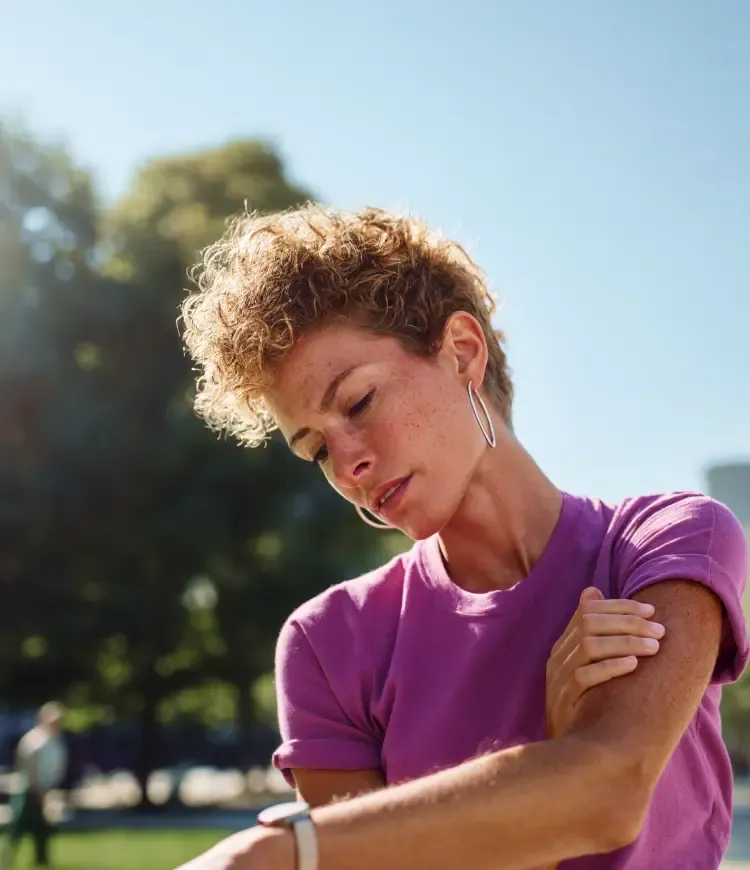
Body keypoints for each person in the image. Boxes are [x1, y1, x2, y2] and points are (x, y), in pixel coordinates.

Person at [176, 205, 748, 870]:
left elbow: (608, 793)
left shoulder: (667, 545)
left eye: (358, 403)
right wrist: (550, 751)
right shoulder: (329, 644)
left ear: (462, 353)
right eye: (317, 450)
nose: (348, 465)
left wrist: (278, 852)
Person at [3, 703, 67, 869]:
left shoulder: (55, 740)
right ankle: (7, 858)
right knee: (19, 825)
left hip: (46, 788)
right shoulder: (34, 739)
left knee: (42, 827)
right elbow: (27, 765)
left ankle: (41, 860)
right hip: (29, 788)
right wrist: (36, 787)